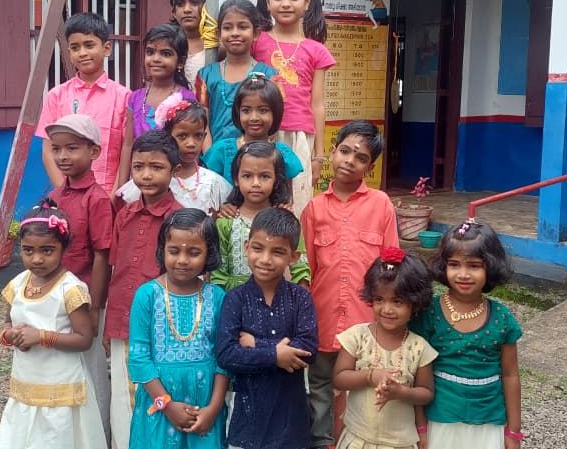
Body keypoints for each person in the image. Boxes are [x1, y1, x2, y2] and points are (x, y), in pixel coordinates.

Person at [301, 120, 400, 449]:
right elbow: (307, 270)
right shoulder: (314, 208)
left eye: (360, 158)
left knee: (363, 388)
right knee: (320, 387)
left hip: (366, 322)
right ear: (332, 152)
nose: (349, 161)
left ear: (369, 168)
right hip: (324, 318)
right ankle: (322, 442)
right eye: (345, 151)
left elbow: (391, 265)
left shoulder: (381, 204)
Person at [0, 201, 106, 449]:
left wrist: (41, 336)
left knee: (58, 437)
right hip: (26, 379)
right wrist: (10, 335)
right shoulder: (18, 284)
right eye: (28, 250)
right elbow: (8, 321)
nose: (37, 259)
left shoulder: (70, 289)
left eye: (47, 250)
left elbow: (84, 339)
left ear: (64, 247)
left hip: (60, 385)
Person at [408, 219, 524, 449]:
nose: (463, 274)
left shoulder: (501, 318)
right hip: (440, 419)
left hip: (488, 421)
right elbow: (416, 375)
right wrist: (420, 427)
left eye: (474, 266)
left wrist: (513, 431)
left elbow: (510, 375)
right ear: (443, 266)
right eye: (454, 264)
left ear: (491, 267)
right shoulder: (429, 313)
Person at [105, 130, 185, 449]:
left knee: (157, 394)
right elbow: (116, 271)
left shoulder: (180, 220)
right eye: (138, 167)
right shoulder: (124, 215)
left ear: (174, 171)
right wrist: (108, 326)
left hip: (162, 327)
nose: (146, 175)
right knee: (122, 399)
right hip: (122, 321)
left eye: (156, 167)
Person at [215, 207, 319, 449]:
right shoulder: (235, 299)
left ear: (293, 257)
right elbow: (226, 354)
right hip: (247, 419)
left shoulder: (300, 298)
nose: (265, 259)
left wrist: (257, 345)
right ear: (246, 247)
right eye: (258, 248)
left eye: (277, 252)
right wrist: (276, 355)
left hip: (290, 421)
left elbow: (308, 350)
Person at [127, 209, 229, 449]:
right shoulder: (146, 295)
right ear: (162, 250)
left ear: (209, 254)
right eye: (174, 251)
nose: (182, 260)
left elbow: (223, 359)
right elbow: (139, 359)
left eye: (194, 253)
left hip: (204, 407)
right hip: (159, 405)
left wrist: (213, 409)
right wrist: (167, 405)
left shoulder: (217, 297)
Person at [45, 114, 115, 440]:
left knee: (92, 369)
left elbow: (102, 255)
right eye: (57, 149)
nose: (63, 156)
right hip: (56, 298)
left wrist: (95, 307)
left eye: (72, 148)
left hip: (86, 299)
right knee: (62, 366)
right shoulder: (54, 198)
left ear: (94, 152)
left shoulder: (97, 199)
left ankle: (98, 436)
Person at [333, 247, 437, 449]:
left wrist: (401, 392)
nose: (387, 309)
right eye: (379, 299)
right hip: (357, 440)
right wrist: (370, 376)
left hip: (399, 443)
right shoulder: (357, 336)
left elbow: (426, 393)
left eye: (397, 302)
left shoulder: (418, 347)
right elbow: (339, 378)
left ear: (415, 304)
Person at [254, 0, 335, 215]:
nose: (286, 3)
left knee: (296, 206)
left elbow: (317, 104)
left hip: (300, 137)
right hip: (261, 133)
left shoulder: (317, 50)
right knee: (258, 199)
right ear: (267, 1)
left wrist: (319, 155)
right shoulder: (255, 42)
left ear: (307, 1)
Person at [36, 12, 132, 194]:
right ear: (69, 52)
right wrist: (65, 193)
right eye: (75, 47)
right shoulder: (56, 96)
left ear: (106, 49)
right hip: (68, 194)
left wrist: (113, 197)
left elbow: (126, 152)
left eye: (89, 45)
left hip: (109, 195)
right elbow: (48, 151)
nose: (82, 53)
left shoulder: (124, 97)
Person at [209, 141, 309, 291]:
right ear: (236, 179)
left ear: (276, 180)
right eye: (247, 176)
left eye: (264, 176)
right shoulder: (226, 222)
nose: (256, 183)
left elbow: (300, 267)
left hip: (277, 299)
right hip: (235, 301)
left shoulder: (285, 219)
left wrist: (301, 299)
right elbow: (218, 275)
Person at [118, 96, 230, 216]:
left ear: (204, 136)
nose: (191, 143)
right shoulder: (152, 180)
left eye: (198, 136)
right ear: (168, 135)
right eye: (182, 136)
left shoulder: (213, 184)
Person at [194, 0, 279, 144]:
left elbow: (274, 125)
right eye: (228, 28)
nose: (235, 33)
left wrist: (253, 154)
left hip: (256, 153)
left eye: (242, 27)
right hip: (213, 155)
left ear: (256, 33)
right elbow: (201, 124)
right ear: (218, 34)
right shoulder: (206, 75)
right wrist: (212, 154)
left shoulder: (269, 76)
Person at [201, 73, 304, 186]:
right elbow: (209, 191)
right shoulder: (221, 151)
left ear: (275, 113)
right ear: (238, 112)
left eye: (263, 110)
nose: (254, 117)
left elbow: (286, 196)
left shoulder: (283, 155)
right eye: (246, 111)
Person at [125, 24, 196, 138]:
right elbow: (128, 144)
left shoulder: (186, 99)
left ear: (180, 62)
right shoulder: (135, 98)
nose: (156, 59)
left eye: (165, 54)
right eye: (150, 52)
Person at [170, 0, 217, 87]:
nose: (187, 9)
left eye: (194, 2)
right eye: (180, 4)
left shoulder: (217, 45)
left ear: (207, 7)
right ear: (174, 12)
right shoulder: (168, 43)